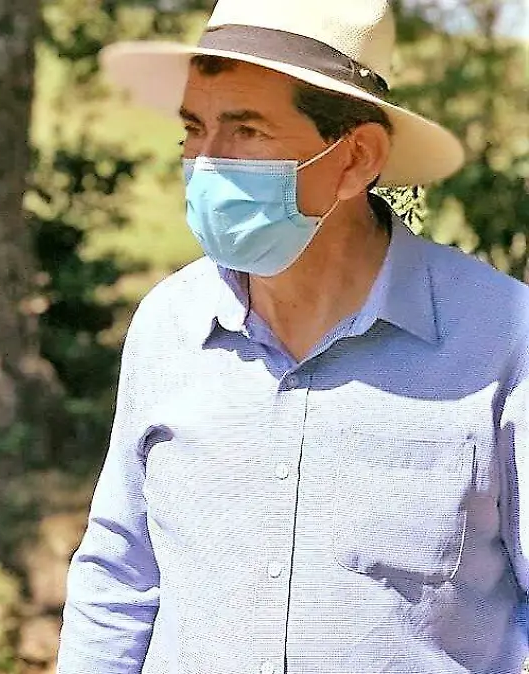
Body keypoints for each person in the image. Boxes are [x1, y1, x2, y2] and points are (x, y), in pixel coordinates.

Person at [55, 1, 529, 672]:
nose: (205, 163)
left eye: (246, 131)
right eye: (194, 129)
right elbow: (118, 575)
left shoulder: (505, 339)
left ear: (356, 157)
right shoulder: (169, 325)